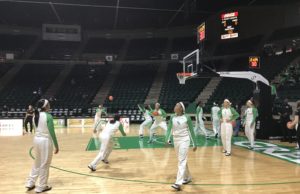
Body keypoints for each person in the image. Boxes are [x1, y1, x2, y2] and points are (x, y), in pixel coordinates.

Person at [25, 99, 59, 193]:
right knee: (45, 164)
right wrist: (56, 145)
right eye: (48, 104)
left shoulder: (35, 115)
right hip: (45, 141)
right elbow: (52, 133)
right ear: (45, 106)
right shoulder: (48, 116)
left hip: (36, 140)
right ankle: (41, 186)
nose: (50, 105)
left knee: (37, 162)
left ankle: (30, 183)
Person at [165, 102, 197, 191]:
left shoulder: (187, 117)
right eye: (175, 105)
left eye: (177, 106)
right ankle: (188, 177)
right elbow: (169, 129)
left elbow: (191, 131)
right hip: (176, 140)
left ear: (181, 109)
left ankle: (178, 183)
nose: (175, 107)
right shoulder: (172, 117)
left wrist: (194, 143)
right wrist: (167, 138)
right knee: (182, 159)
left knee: (181, 160)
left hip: (185, 140)